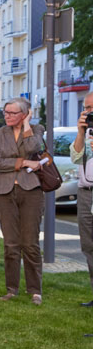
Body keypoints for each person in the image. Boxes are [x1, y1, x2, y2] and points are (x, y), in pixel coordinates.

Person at [0, 97, 45, 305]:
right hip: (4, 192)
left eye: (13, 113)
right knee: (10, 243)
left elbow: (32, 146)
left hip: (31, 190)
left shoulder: (36, 129)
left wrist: (27, 125)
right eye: (5, 112)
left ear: (24, 114)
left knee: (30, 243)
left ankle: (35, 290)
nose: (7, 116)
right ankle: (11, 289)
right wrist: (24, 162)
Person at [71, 92, 93, 307]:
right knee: (88, 246)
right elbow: (75, 156)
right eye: (86, 108)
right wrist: (80, 132)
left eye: (91, 108)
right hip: (86, 193)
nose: (88, 112)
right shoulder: (85, 134)